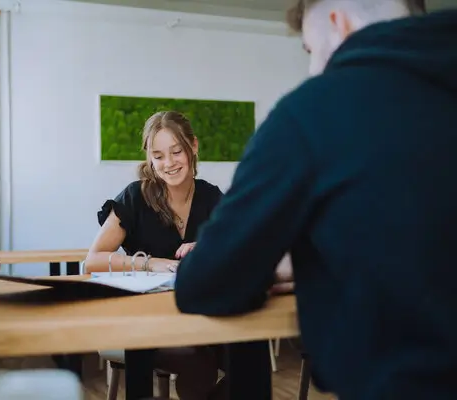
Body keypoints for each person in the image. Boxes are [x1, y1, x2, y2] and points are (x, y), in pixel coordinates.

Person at [174, 1, 457, 399]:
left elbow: (205, 283)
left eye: (310, 51)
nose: (312, 70)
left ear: (340, 25)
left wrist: (268, 267)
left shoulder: (311, 113)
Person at [85, 110, 231, 399]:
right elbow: (93, 260)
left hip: (200, 316)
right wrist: (153, 264)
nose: (169, 163)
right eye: (159, 155)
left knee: (248, 355)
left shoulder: (211, 197)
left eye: (176, 152)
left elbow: (238, 247)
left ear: (194, 147)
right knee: (198, 359)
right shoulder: (134, 198)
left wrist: (206, 248)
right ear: (149, 158)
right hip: (145, 323)